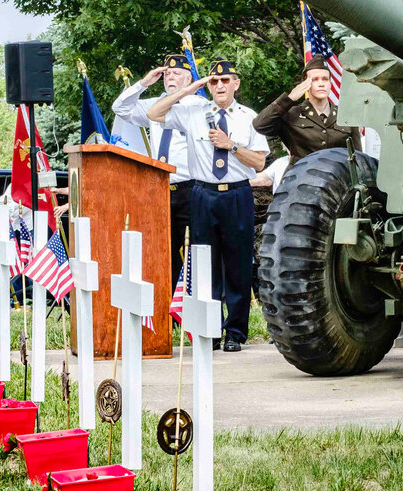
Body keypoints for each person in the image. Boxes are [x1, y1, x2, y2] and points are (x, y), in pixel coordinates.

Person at [148, 58, 268, 352]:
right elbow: (153, 112)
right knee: (204, 264)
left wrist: (232, 146)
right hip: (202, 194)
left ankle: (235, 332)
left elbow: (260, 161)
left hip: (237, 194)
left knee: (238, 264)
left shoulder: (249, 118)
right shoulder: (193, 111)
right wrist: (188, 89)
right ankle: (210, 330)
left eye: (225, 81)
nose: (219, 86)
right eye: (214, 82)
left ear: (236, 84)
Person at [111, 54, 199, 289]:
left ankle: (193, 307)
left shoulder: (198, 106)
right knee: (161, 252)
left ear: (189, 78)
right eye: (167, 73)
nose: (171, 76)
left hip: (189, 188)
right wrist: (144, 83)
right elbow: (119, 108)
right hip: (159, 188)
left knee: (195, 251)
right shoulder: (153, 105)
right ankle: (166, 310)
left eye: (177, 73)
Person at [252, 55, 361, 165]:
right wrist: (289, 98)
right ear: (305, 84)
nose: (321, 84)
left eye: (325, 79)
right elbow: (260, 125)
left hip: (338, 179)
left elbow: (358, 156)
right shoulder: (291, 114)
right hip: (301, 178)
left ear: (330, 84)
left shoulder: (346, 115)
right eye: (314, 79)